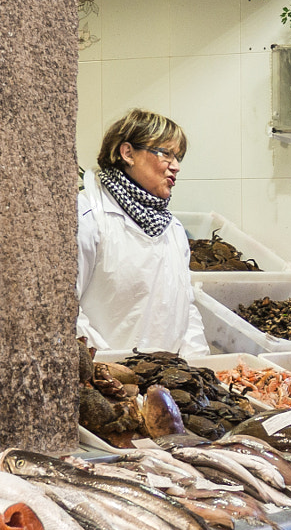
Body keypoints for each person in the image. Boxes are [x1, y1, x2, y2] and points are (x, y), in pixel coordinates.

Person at [77, 109, 209, 356]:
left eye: (178, 156)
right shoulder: (86, 216)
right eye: (166, 154)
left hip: (166, 383)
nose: (176, 166)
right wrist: (110, 368)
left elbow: (185, 308)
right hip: (108, 382)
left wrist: (197, 368)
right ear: (127, 153)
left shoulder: (173, 229)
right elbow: (64, 308)